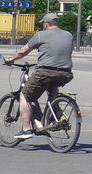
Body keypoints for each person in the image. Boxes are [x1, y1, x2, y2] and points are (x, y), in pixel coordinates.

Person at [5, 13, 75, 141]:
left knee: (25, 95)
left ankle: (26, 129)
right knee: (51, 91)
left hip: (45, 72)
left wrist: (11, 59)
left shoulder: (41, 35)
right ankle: (55, 117)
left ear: (46, 24)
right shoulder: (68, 35)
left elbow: (23, 51)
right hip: (66, 73)